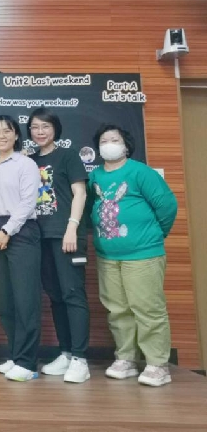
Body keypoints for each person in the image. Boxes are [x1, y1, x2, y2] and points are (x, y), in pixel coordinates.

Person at [89, 124, 177, 387]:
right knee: (117, 310)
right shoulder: (95, 176)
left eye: (114, 139)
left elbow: (167, 206)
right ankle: (126, 358)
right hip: (107, 255)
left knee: (148, 309)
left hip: (143, 254)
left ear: (126, 145)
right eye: (104, 140)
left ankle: (157, 364)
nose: (109, 144)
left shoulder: (141, 172)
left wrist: (153, 235)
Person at [28, 108, 90, 384]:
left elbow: (80, 193)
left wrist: (72, 227)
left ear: (55, 129)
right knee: (55, 296)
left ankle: (80, 359)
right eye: (35, 127)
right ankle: (66, 353)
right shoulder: (29, 161)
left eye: (45, 126)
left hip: (66, 236)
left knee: (73, 294)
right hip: (39, 238)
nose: (40, 131)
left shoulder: (68, 155)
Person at [0, 115, 42, 382]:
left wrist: (7, 231)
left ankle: (28, 363)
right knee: (5, 301)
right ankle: (15, 354)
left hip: (21, 232)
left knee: (25, 300)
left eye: (7, 131)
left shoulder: (25, 164)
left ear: (16, 135)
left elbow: (28, 203)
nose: (1, 136)